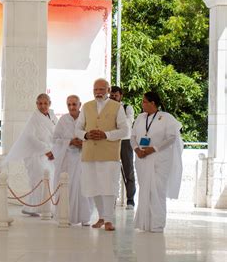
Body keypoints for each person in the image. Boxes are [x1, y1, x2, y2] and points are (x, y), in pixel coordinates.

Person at [75, 78, 129, 231]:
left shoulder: (117, 107)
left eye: (101, 89)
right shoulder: (86, 107)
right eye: (96, 90)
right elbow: (77, 129)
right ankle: (101, 217)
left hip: (109, 154)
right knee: (93, 186)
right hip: (90, 153)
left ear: (108, 90)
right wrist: (86, 135)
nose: (98, 93)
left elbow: (125, 130)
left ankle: (109, 220)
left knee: (108, 186)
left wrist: (106, 134)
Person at [131, 91, 183, 233]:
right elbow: (133, 136)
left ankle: (157, 224)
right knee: (145, 190)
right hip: (142, 158)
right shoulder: (140, 118)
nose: (142, 104)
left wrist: (153, 149)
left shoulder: (166, 118)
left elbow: (171, 137)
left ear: (153, 103)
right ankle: (144, 223)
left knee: (157, 190)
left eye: (145, 101)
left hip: (159, 160)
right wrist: (137, 149)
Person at [5, 93, 58, 216]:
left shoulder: (53, 116)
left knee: (51, 179)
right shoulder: (34, 118)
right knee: (39, 179)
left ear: (49, 104)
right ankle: (35, 208)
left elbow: (57, 133)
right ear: (36, 104)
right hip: (36, 155)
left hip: (51, 154)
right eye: (40, 103)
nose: (43, 106)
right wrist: (46, 150)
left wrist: (55, 149)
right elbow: (30, 137)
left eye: (45, 103)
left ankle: (46, 207)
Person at [52, 95, 94, 225]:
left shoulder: (87, 119)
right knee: (68, 187)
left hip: (84, 159)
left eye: (74, 104)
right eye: (69, 104)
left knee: (84, 187)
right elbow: (55, 140)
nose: (71, 107)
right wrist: (70, 142)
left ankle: (85, 217)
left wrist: (84, 142)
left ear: (79, 105)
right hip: (68, 161)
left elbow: (93, 136)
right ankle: (67, 216)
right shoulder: (63, 120)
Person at [110, 86, 136, 209]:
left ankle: (130, 200)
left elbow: (127, 124)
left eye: (116, 95)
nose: (113, 97)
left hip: (125, 141)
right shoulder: (107, 108)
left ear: (121, 96)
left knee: (128, 170)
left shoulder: (127, 108)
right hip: (111, 141)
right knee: (111, 170)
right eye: (111, 95)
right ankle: (112, 199)